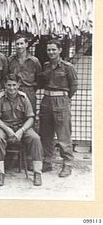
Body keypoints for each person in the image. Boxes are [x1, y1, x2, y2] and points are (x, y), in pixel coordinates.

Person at [0, 74, 43, 186]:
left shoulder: (23, 98)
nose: (11, 88)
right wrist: (7, 129)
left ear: (18, 85)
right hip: (4, 126)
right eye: (9, 85)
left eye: (14, 85)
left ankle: (37, 173)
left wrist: (22, 130)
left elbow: (30, 118)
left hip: (21, 125)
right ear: (5, 85)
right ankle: (0, 173)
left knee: (35, 138)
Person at [39, 39, 78, 177]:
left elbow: (73, 86)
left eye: (54, 49)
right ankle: (47, 161)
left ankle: (67, 164)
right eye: (49, 50)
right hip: (46, 101)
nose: (51, 52)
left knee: (63, 135)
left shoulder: (68, 67)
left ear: (60, 50)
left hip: (61, 101)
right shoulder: (46, 66)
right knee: (46, 134)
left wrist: (65, 99)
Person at [8, 34, 42, 113]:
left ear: (26, 44)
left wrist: (31, 89)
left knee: (29, 115)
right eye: (17, 44)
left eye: (21, 43)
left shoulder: (34, 61)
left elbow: (39, 79)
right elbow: (6, 76)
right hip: (14, 91)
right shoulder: (10, 60)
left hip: (29, 91)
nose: (19, 46)